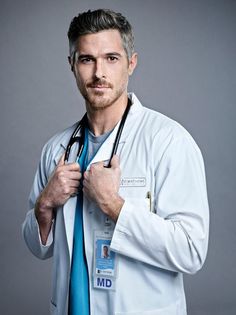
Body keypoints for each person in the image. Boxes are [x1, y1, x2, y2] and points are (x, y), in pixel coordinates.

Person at [22, 9, 209, 315]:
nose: (98, 73)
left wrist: (114, 204)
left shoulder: (168, 141)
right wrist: (44, 206)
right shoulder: (56, 149)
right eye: (86, 59)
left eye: (111, 58)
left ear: (130, 64)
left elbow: (191, 251)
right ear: (72, 65)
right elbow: (37, 246)